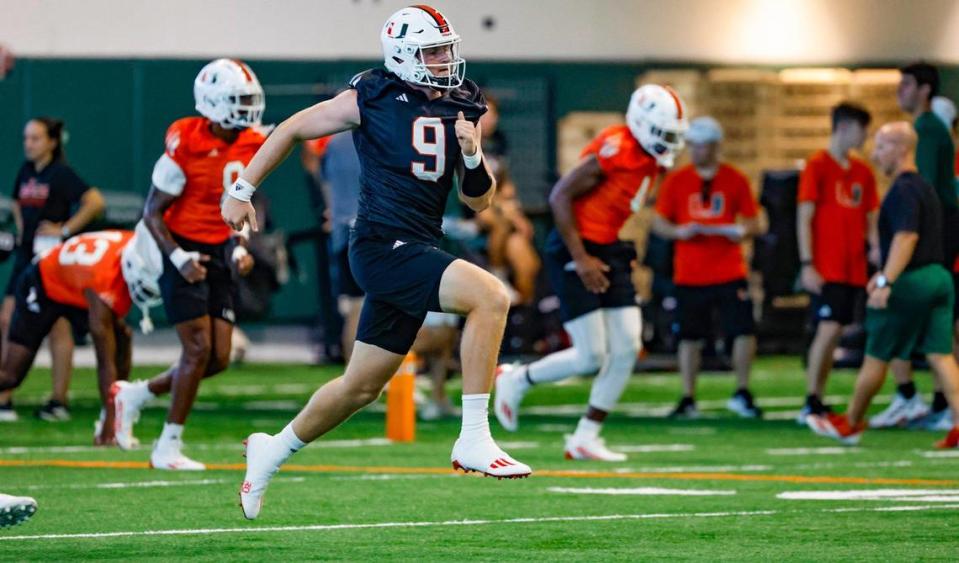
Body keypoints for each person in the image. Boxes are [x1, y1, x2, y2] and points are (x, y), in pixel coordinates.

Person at [221, 5, 530, 520]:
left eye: (446, 49)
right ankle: (474, 436)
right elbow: (294, 128)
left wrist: (473, 157)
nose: (444, 60)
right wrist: (242, 187)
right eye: (432, 51)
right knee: (491, 296)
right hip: (382, 245)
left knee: (360, 387)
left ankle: (270, 450)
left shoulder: (463, 100)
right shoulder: (373, 93)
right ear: (405, 55)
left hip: (419, 245)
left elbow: (479, 202)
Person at [494, 84, 686, 461]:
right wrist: (580, 258)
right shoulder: (616, 148)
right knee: (590, 356)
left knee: (629, 345)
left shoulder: (650, 158)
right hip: (575, 246)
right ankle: (517, 378)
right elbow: (560, 196)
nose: (668, 143)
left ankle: (586, 435)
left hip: (608, 246)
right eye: (662, 133)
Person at [112, 59, 262, 470]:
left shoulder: (251, 141)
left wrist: (240, 244)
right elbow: (152, 213)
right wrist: (178, 259)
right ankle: (167, 447)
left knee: (218, 358)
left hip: (219, 245)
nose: (247, 108)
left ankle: (136, 395)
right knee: (196, 350)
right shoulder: (186, 140)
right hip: (179, 246)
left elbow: (248, 201)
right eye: (238, 100)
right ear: (212, 102)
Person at [807, 122, 959, 449]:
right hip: (939, 277)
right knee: (941, 355)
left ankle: (849, 423)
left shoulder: (903, 189)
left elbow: (906, 237)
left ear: (899, 148)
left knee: (876, 355)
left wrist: (885, 280)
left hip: (910, 279)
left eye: (880, 147)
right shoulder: (925, 187)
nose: (874, 155)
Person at [0, 229, 162, 445]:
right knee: (11, 375)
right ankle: (111, 423)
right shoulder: (103, 278)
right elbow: (104, 361)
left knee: (123, 336)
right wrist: (108, 430)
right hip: (41, 281)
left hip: (75, 284)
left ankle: (116, 415)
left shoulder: (138, 245)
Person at [652, 116, 764, 419]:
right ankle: (688, 395)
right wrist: (680, 232)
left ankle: (742, 389)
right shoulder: (677, 180)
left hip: (729, 269)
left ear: (716, 147)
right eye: (695, 146)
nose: (699, 152)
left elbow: (755, 221)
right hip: (690, 272)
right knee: (689, 335)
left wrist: (739, 231)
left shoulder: (735, 179)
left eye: (705, 146)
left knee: (742, 330)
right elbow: (660, 221)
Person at [0, 117, 106, 423]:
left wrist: (64, 230)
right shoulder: (26, 171)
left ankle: (58, 400)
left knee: (58, 328)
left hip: (52, 262)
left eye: (35, 138)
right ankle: (6, 396)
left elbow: (94, 201)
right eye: (26, 138)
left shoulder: (60, 174)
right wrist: (24, 231)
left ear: (52, 141)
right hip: (26, 258)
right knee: (8, 320)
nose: (28, 144)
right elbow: (18, 204)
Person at [871, 62, 958, 431]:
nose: (899, 91)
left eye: (906, 84)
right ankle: (938, 404)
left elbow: (918, 196)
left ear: (924, 90)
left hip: (925, 250)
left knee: (889, 315)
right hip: (937, 248)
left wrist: (888, 271)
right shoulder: (933, 130)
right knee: (940, 341)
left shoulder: (924, 131)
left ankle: (906, 397)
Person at [797, 102, 879, 422]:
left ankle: (819, 396)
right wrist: (807, 263)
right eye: (862, 130)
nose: (865, 137)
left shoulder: (862, 172)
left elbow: (870, 215)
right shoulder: (817, 165)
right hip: (826, 265)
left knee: (837, 330)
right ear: (844, 127)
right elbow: (805, 216)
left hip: (853, 267)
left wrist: (873, 247)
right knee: (827, 329)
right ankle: (811, 399)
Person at [473, 95, 540, 305]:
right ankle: (497, 273)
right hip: (475, 207)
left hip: (500, 207)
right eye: (484, 114)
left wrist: (516, 214)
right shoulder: (463, 141)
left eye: (493, 114)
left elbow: (506, 186)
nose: (489, 119)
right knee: (500, 221)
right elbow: (469, 189)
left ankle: (522, 320)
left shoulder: (499, 142)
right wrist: (507, 210)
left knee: (528, 264)